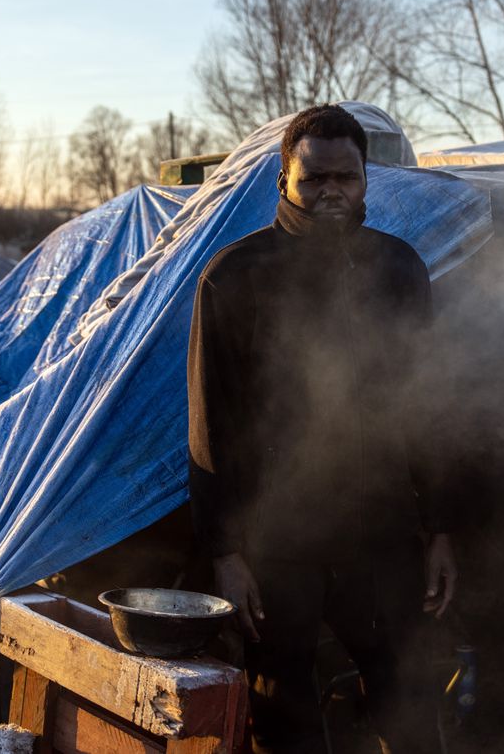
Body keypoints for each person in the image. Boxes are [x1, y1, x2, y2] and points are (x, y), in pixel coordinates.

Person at [187, 104, 457, 753]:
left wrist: (443, 526)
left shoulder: (399, 269)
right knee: (284, 717)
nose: (332, 190)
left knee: (410, 705)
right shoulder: (233, 275)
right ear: (283, 180)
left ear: (367, 181)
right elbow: (210, 426)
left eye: (347, 176)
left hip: (383, 531)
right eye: (315, 179)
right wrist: (225, 553)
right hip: (278, 540)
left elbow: (427, 408)